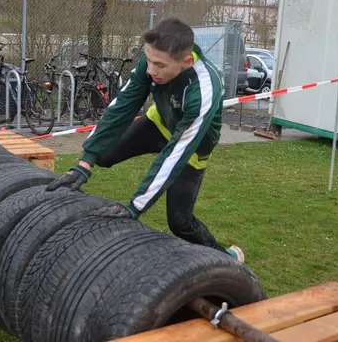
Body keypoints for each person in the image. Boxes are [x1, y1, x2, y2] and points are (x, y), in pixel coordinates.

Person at [46, 17, 244, 263]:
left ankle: (227, 258)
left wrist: (135, 206)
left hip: (192, 147)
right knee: (103, 154)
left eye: (159, 65)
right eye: (148, 60)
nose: (151, 70)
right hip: (158, 124)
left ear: (186, 62)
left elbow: (177, 151)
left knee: (180, 222)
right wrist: (85, 162)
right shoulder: (150, 64)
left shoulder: (204, 88)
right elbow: (122, 106)